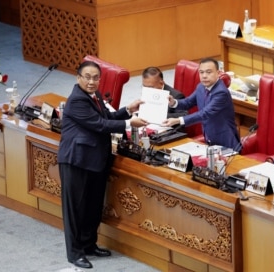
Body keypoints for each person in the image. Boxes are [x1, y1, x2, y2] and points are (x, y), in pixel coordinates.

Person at [57, 61, 148, 269]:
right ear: (77, 77)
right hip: (76, 160)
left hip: (95, 160)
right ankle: (75, 253)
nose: (91, 81)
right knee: (75, 209)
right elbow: (99, 125)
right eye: (87, 77)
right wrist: (128, 123)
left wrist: (127, 110)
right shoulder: (77, 100)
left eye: (95, 77)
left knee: (93, 206)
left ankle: (89, 245)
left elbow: (107, 117)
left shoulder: (95, 95)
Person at [162, 58, 240, 149]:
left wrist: (178, 120)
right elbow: (188, 102)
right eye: (201, 72)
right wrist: (174, 102)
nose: (204, 76)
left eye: (208, 72)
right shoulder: (201, 87)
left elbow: (204, 113)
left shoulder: (221, 92)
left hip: (225, 142)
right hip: (209, 138)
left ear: (218, 73)